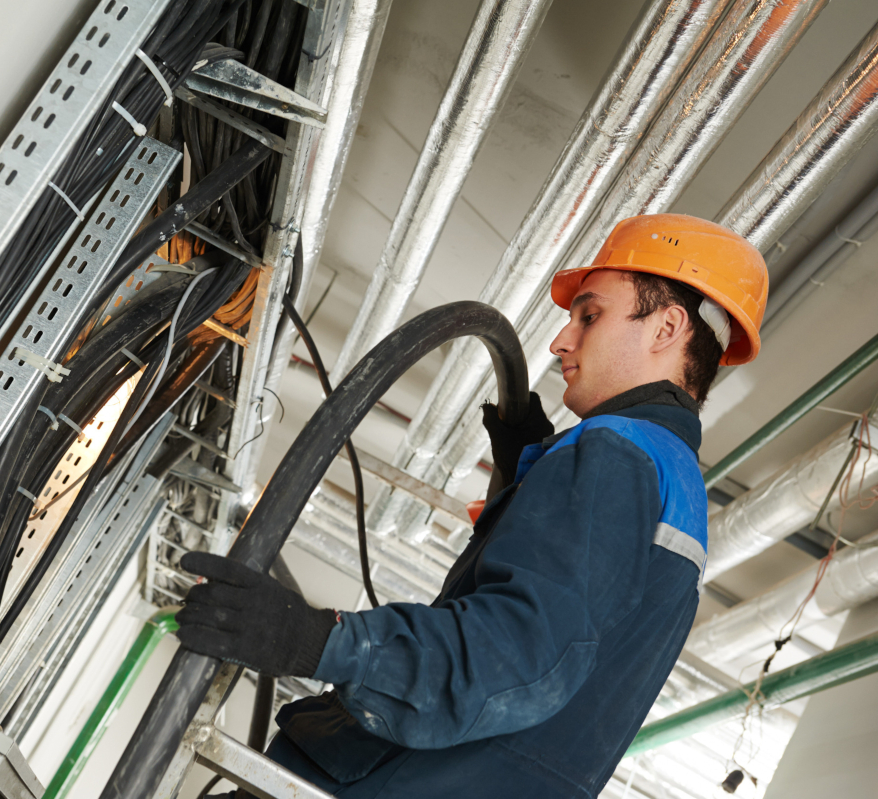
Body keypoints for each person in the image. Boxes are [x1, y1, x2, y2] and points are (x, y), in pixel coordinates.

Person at [177, 213, 769, 799]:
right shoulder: (676, 482)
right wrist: (526, 479)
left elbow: (521, 654)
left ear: (666, 329)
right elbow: (573, 634)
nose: (561, 340)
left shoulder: (618, 453)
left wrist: (319, 640)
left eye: (590, 315)